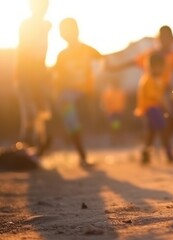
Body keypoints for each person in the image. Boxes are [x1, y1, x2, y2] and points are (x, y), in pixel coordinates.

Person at [52, 18, 103, 167]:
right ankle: (82, 157)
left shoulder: (87, 50)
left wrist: (95, 80)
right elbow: (57, 77)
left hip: (84, 94)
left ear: (77, 30)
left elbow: (103, 61)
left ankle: (82, 155)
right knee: (73, 124)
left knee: (87, 121)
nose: (68, 34)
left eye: (70, 29)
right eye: (64, 31)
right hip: (66, 97)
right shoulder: (62, 55)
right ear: (61, 35)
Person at [15, 0, 52, 156]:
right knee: (29, 111)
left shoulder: (46, 26)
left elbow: (42, 53)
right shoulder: (27, 25)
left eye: (44, 6)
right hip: (26, 74)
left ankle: (39, 145)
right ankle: (25, 144)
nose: (41, 9)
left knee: (41, 112)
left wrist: (43, 74)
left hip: (39, 76)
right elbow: (24, 50)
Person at [134, 52, 173, 165]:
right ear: (151, 67)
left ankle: (145, 154)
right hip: (151, 110)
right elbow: (156, 98)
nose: (162, 70)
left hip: (155, 109)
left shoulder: (159, 80)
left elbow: (162, 94)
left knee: (151, 134)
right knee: (163, 131)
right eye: (160, 67)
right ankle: (169, 155)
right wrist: (166, 109)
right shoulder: (148, 80)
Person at [100, 78, 127, 145]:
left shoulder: (120, 91)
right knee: (114, 126)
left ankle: (118, 139)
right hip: (112, 113)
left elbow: (123, 101)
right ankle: (114, 139)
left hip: (118, 112)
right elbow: (105, 103)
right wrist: (106, 111)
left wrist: (122, 110)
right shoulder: (108, 92)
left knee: (118, 126)